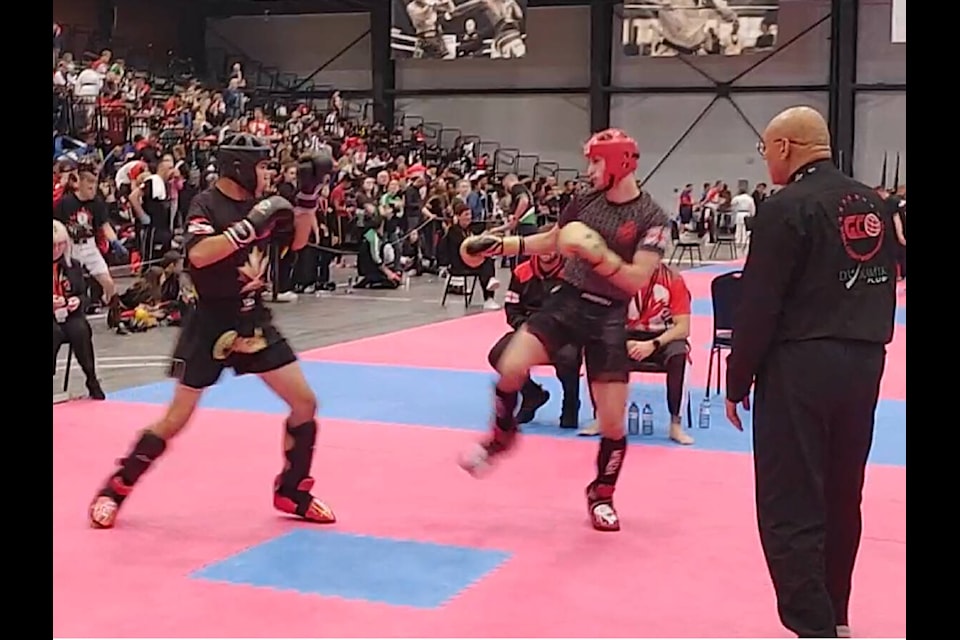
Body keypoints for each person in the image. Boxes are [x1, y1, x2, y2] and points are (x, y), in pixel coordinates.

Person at [88, 134, 337, 530]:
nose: (268, 173)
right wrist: (249, 228)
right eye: (261, 166)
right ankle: (115, 489)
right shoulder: (206, 204)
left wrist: (308, 197)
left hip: (253, 319)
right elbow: (199, 256)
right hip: (210, 322)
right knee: (175, 419)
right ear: (239, 167)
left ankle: (292, 490)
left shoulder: (263, 203)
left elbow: (299, 242)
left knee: (305, 403)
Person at [725, 107, 898, 639]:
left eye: (765, 150)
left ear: (785, 148)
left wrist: (737, 380)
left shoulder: (785, 208)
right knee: (843, 494)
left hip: (801, 365)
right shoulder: (873, 201)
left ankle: (813, 628)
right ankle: (837, 616)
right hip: (866, 362)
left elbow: (760, 303)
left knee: (791, 499)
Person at [458, 129, 670, 532]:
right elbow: (555, 240)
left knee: (612, 423)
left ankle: (601, 494)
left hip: (609, 315)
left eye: (595, 162)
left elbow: (636, 281)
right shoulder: (584, 201)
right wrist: (500, 246)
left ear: (618, 164)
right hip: (568, 300)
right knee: (510, 365)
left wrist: (599, 255)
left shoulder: (654, 220)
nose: (589, 170)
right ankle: (503, 435)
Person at [580, 263, 693, 444]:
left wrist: (653, 344)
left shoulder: (673, 280)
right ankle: (601, 417)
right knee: (595, 348)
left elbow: (683, 328)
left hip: (662, 337)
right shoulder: (618, 278)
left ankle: (675, 424)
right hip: (627, 335)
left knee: (679, 356)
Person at [487, 233, 582, 429]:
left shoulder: (573, 274)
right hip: (529, 331)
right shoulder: (521, 272)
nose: (546, 252)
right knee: (498, 354)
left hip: (563, 333)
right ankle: (531, 394)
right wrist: (526, 328)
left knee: (569, 357)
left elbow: (578, 310)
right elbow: (512, 308)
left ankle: (571, 404)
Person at [53, 220, 104, 399]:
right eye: (53, 245)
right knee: (54, 334)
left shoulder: (73, 265)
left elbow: (85, 295)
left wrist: (76, 301)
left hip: (68, 313)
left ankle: (91, 378)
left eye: (61, 244)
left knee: (81, 330)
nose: (57, 249)